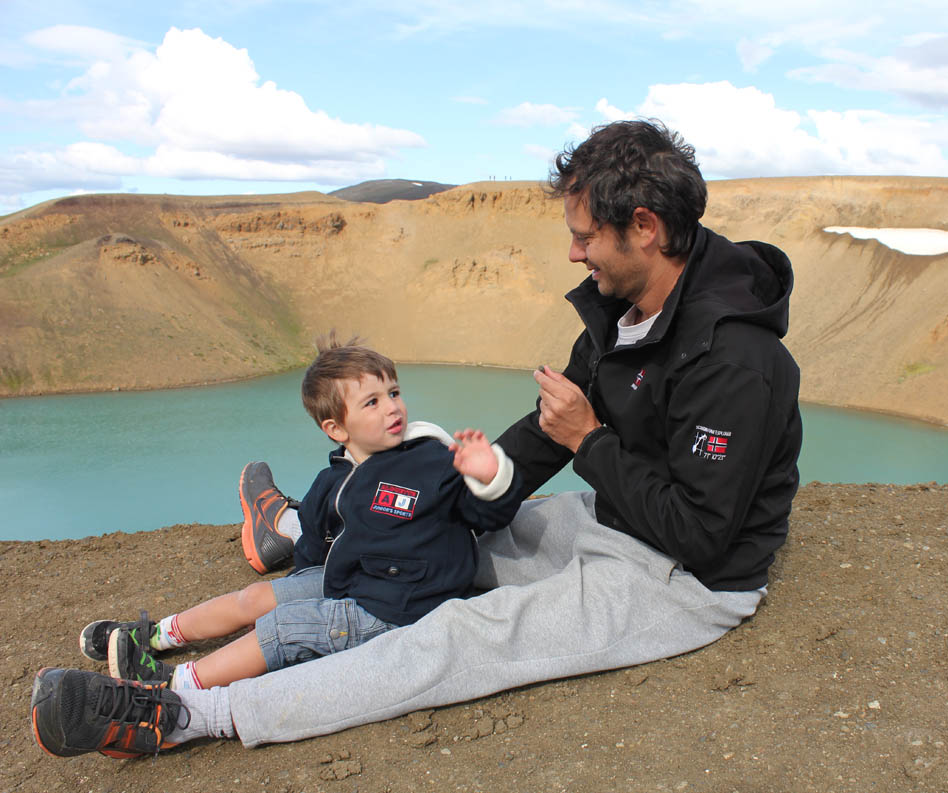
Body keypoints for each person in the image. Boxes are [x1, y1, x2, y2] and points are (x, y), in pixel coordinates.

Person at [29, 119, 803, 758]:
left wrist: (592, 441)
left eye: (583, 235)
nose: (573, 252)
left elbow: (702, 534)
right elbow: (543, 436)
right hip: (614, 520)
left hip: (682, 580)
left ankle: (188, 715)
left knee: (458, 635)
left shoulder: (737, 359)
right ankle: (299, 531)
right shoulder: (627, 306)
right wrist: (472, 478)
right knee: (431, 540)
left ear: (645, 227)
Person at [32, 335, 523, 756]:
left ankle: (179, 684)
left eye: (393, 392)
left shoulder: (432, 461)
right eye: (372, 401)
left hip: (398, 607)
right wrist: (303, 576)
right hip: (347, 583)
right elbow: (313, 540)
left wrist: (488, 476)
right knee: (261, 597)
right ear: (336, 427)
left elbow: (487, 516)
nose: (393, 406)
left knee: (287, 627)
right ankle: (156, 637)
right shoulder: (332, 480)